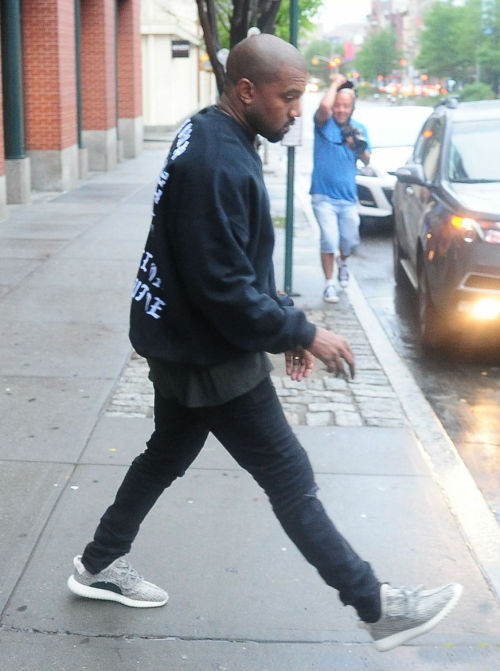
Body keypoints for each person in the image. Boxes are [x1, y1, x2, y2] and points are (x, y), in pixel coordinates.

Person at [67, 34, 462, 652]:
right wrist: (303, 330)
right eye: (290, 97)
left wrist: (281, 317)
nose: (298, 110)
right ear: (245, 90)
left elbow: (234, 261)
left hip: (179, 338)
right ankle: (376, 605)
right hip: (207, 354)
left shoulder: (206, 130)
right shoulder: (216, 164)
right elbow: (223, 287)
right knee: (289, 475)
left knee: (165, 456)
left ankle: (98, 562)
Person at [310, 74, 371, 303]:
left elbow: (366, 160)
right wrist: (336, 83)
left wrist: (356, 145)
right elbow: (324, 106)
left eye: (346, 106)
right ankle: (329, 284)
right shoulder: (323, 124)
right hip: (322, 195)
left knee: (348, 240)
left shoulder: (359, 128)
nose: (341, 110)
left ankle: (343, 263)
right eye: (338, 105)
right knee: (328, 238)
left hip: (347, 198)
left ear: (352, 108)